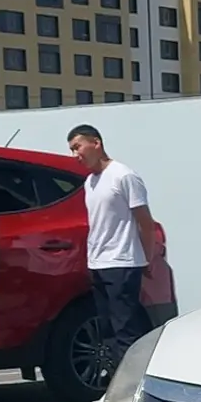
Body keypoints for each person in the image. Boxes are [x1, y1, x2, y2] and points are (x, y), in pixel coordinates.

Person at [67, 124, 160, 368]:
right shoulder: (90, 182)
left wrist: (147, 259)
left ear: (96, 143)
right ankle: (115, 388)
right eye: (71, 150)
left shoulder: (123, 175)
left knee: (125, 331)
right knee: (106, 331)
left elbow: (145, 222)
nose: (75, 155)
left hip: (122, 262)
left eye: (78, 147)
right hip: (98, 262)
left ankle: (131, 391)